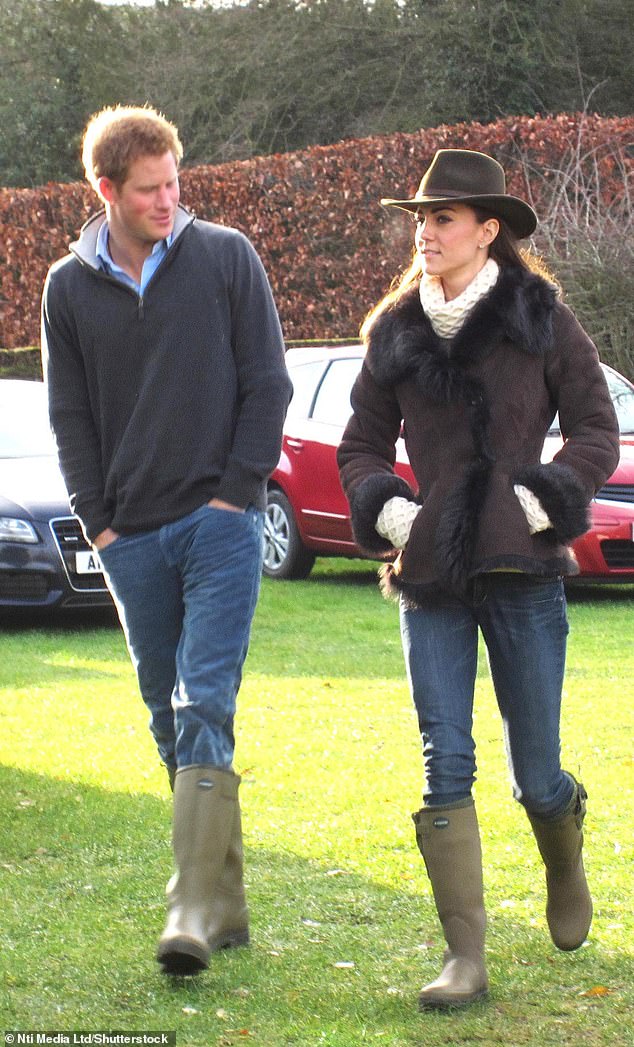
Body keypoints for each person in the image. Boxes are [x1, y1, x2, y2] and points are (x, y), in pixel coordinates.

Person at [337, 149, 620, 1009]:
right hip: (430, 575)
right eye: (420, 220)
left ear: (487, 229)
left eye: (443, 219)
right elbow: (358, 447)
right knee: (444, 761)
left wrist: (546, 498)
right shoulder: (394, 330)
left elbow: (598, 431)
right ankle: (465, 957)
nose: (425, 233)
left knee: (536, 772)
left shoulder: (542, 317)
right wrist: (393, 515)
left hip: (525, 569)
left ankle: (563, 857)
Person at [41, 105, 292, 977]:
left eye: (174, 183)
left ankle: (187, 905)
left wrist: (236, 496)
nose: (167, 200)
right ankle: (222, 899)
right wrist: (100, 521)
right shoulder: (66, 288)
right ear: (105, 190)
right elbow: (68, 416)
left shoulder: (226, 257)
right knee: (163, 711)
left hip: (220, 525)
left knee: (203, 701)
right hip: (131, 537)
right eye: (148, 189)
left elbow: (268, 382)